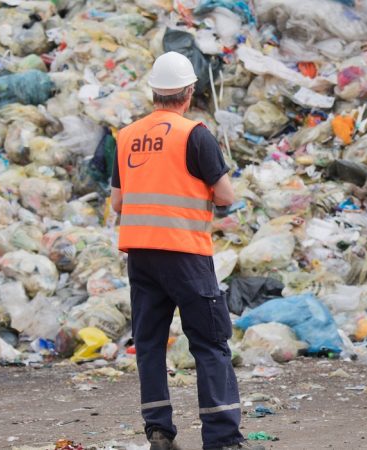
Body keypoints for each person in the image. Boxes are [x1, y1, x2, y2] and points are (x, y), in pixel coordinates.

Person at [111, 51, 247, 450]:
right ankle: (221, 438)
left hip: (141, 255)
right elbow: (225, 195)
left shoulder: (126, 136)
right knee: (210, 343)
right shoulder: (195, 134)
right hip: (185, 252)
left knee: (150, 344)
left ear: (154, 92)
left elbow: (118, 203)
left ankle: (158, 431)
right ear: (189, 92)